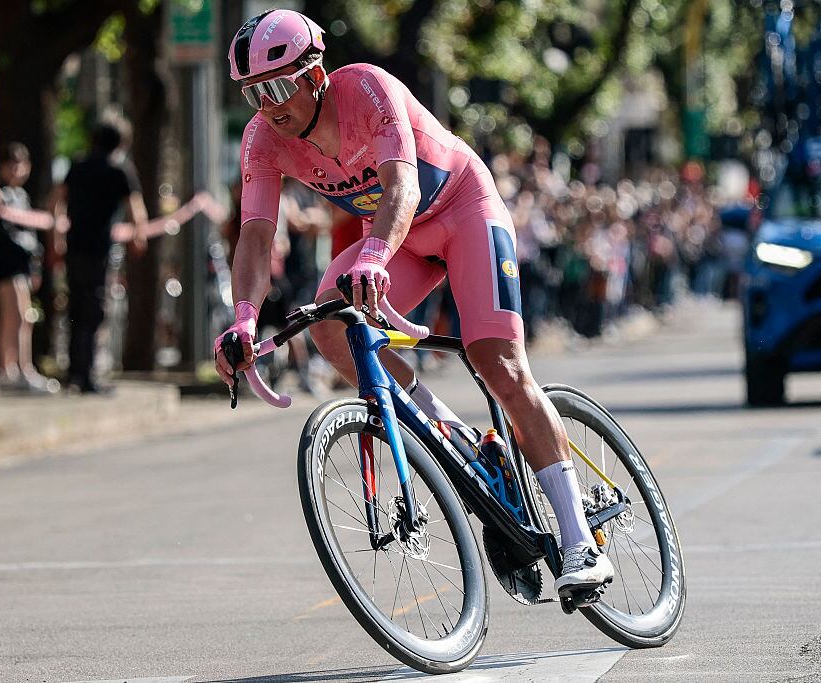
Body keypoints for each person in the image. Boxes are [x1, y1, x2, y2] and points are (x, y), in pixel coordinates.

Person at [215, 9, 613, 601]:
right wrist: (244, 320)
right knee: (330, 324)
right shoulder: (262, 140)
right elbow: (255, 234)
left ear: (314, 73)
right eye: (252, 94)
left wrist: (375, 254)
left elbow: (402, 185)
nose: (267, 106)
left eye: (276, 88)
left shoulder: (366, 88)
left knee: (498, 362)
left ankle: (580, 541)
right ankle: (453, 434)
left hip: (461, 210)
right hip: (402, 240)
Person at [54, 119, 148, 394]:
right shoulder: (120, 170)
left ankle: (74, 372)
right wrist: (138, 236)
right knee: (94, 310)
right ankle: (86, 375)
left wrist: (56, 238)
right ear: (121, 143)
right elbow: (136, 209)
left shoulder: (77, 166)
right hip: (99, 250)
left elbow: (55, 200)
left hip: (74, 247)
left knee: (76, 308)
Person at [0, 142, 54, 394]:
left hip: (23, 266)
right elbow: (6, 234)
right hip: (8, 265)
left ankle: (23, 367)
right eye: (11, 164)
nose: (17, 170)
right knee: (14, 316)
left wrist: (35, 265)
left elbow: (30, 233)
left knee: (25, 316)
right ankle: (8, 369)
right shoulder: (0, 194)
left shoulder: (21, 196)